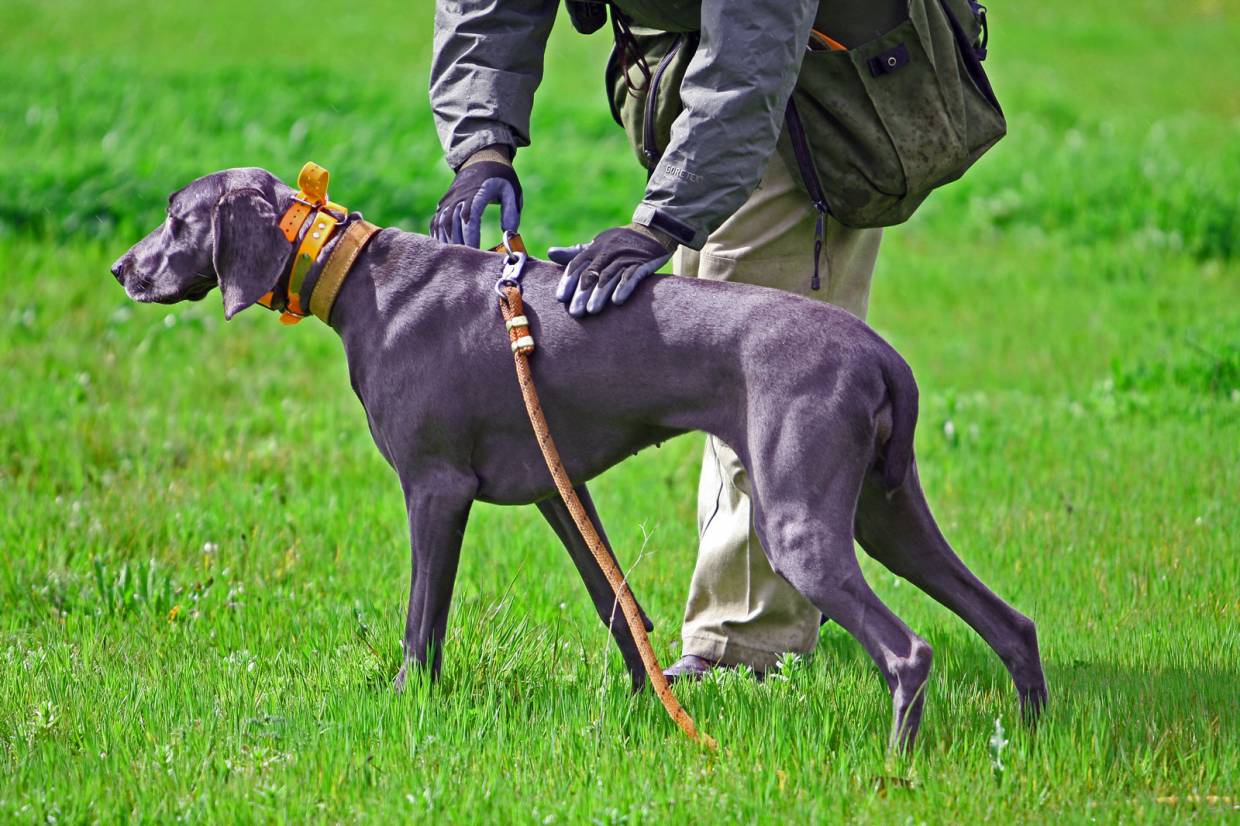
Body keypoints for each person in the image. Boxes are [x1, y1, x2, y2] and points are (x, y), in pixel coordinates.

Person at [428, 0, 882, 680]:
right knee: (743, 365)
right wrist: (481, 144)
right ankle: (820, 581)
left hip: (812, 82)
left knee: (760, 384)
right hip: (699, 78)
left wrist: (662, 222)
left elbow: (751, 57)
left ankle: (744, 650)